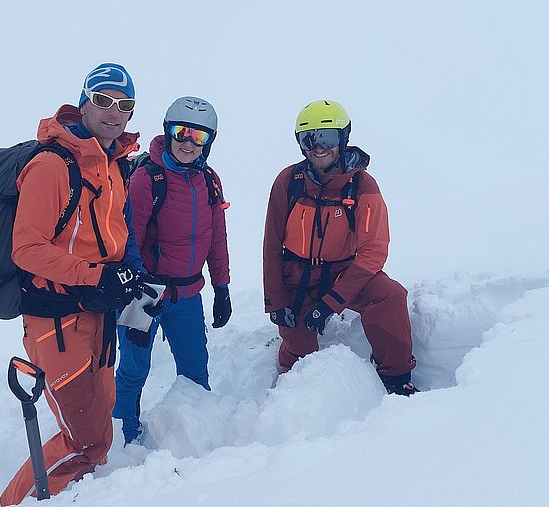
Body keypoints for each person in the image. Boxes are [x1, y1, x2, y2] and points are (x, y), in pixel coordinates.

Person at [0, 63, 157, 505]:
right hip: (56, 319)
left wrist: (136, 285)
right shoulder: (52, 164)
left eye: (125, 105)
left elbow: (112, 242)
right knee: (81, 438)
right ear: (84, 101)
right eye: (105, 100)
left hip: (98, 315)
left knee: (99, 433)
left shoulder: (112, 165)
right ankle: (12, 502)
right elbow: (26, 249)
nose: (115, 112)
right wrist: (96, 277)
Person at [262, 100, 418, 396]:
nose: (318, 147)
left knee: (390, 295)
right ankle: (288, 361)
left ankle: (397, 377)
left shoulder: (362, 186)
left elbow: (374, 251)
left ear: (343, 138)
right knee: (302, 361)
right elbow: (271, 244)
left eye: (327, 137)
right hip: (298, 276)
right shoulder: (288, 182)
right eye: (308, 138)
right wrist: (275, 301)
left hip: (344, 273)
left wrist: (330, 303)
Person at [112, 96, 232, 444]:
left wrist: (222, 288)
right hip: (146, 291)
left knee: (195, 370)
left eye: (198, 137)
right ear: (168, 131)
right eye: (181, 133)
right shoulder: (148, 178)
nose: (188, 143)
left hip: (189, 294)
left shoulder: (209, 180)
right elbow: (127, 236)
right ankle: (123, 437)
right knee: (134, 370)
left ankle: (198, 436)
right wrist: (136, 295)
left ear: (208, 142)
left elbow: (216, 237)